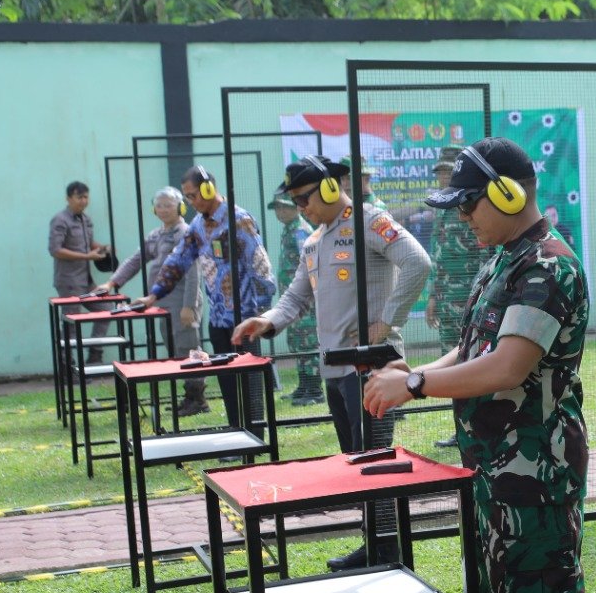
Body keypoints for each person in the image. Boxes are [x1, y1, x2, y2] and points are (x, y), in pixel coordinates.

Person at [362, 137, 592, 593]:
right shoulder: (505, 261)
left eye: (468, 205)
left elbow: (507, 368)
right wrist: (420, 374)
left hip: (537, 473)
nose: (462, 219)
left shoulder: (548, 268)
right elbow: (474, 350)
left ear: (507, 196)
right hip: (495, 469)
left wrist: (417, 383)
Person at [234, 158, 432, 571]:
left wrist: (387, 321)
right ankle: (375, 546)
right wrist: (267, 321)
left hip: (372, 369)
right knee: (356, 462)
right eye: (295, 199)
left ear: (327, 189)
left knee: (375, 463)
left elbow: (418, 262)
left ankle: (388, 551)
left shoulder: (369, 222)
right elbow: (295, 297)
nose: (301, 206)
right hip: (337, 372)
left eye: (304, 198)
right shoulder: (314, 241)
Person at [132, 166, 274, 426]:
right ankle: (237, 434)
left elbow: (261, 267)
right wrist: (154, 295)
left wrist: (261, 313)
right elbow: (179, 258)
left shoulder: (238, 219)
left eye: (193, 195)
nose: (191, 201)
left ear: (209, 188)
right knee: (228, 383)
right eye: (187, 196)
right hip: (219, 319)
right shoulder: (198, 225)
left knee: (249, 383)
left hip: (245, 317)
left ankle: (256, 436)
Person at [96, 187, 208, 416]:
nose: (164, 209)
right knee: (175, 350)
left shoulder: (185, 233)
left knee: (190, 349)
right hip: (162, 302)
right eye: (160, 205)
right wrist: (112, 283)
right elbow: (135, 260)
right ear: (153, 209)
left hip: (182, 301)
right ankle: (188, 397)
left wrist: (189, 305)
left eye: (169, 204)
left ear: (180, 207)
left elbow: (194, 271)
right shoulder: (156, 235)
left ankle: (198, 398)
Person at [423, 147, 491, 447]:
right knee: (451, 362)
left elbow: (486, 256)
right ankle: (460, 427)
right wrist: (434, 296)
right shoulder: (442, 210)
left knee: (471, 360)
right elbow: (438, 257)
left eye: (446, 171)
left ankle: (478, 425)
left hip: (468, 297)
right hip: (447, 297)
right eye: (439, 171)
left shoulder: (473, 208)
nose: (441, 176)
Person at [266, 189, 323, 407]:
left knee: (308, 343)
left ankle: (315, 390)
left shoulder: (300, 231)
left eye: (283, 207)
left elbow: (311, 265)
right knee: (298, 343)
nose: (280, 212)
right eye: (277, 208)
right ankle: (303, 386)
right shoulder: (289, 230)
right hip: (294, 301)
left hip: (305, 302)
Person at [48, 181, 112, 363]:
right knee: (72, 323)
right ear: (69, 199)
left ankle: (94, 357)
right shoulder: (60, 220)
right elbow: (55, 249)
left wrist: (103, 248)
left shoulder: (86, 220)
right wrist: (87, 256)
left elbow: (88, 244)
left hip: (85, 280)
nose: (83, 201)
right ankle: (68, 365)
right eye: (79, 197)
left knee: (106, 310)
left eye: (86, 197)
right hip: (68, 281)